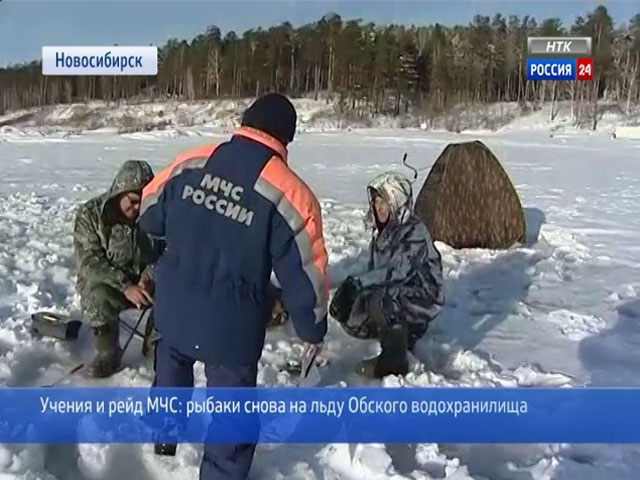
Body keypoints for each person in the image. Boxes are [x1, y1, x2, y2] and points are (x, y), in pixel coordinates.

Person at [138, 93, 329, 479]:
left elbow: (148, 213)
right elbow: (304, 274)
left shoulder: (191, 161)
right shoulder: (290, 193)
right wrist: (312, 327)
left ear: (245, 121)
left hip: (173, 308)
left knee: (171, 368)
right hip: (231, 327)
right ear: (285, 138)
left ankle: (164, 433)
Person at [329, 171, 444, 379]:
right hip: (396, 292)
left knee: (385, 299)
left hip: (422, 296)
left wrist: (358, 283)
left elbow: (399, 272)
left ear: (396, 202)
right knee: (355, 313)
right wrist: (349, 295)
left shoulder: (414, 232)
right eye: (376, 201)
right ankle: (394, 334)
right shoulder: (381, 235)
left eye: (384, 201)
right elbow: (376, 272)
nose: (379, 207)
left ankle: (394, 359)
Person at [72, 160, 164, 378]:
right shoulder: (91, 215)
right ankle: (108, 353)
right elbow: (90, 262)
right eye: (132, 202)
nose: (136, 209)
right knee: (95, 295)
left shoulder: (156, 214)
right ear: (119, 192)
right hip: (112, 285)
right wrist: (125, 286)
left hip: (147, 283)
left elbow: (169, 251)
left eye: (141, 203)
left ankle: (155, 347)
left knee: (175, 286)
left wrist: (149, 276)